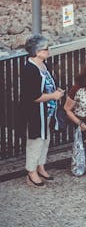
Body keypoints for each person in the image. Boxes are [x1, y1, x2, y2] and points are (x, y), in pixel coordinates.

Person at [19, 34, 65, 188]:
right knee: (35, 141)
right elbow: (32, 96)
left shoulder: (43, 65)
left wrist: (55, 91)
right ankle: (31, 171)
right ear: (37, 52)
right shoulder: (30, 69)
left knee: (45, 139)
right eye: (46, 49)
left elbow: (48, 83)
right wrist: (53, 95)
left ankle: (41, 166)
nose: (48, 51)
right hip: (35, 114)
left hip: (47, 111)